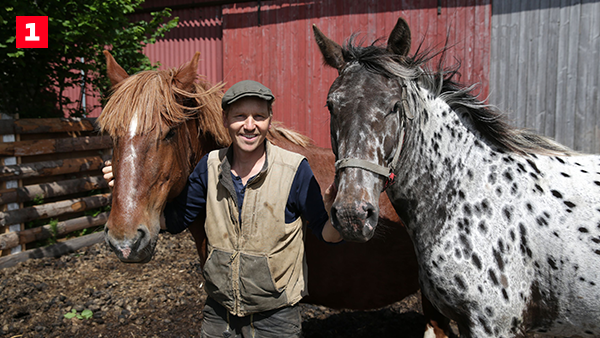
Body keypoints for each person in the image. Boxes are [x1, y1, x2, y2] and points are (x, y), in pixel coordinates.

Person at [103, 80, 342, 338]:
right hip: (220, 315)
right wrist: (127, 190)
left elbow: (326, 233)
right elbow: (175, 220)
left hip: (275, 317)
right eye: (240, 116)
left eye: (258, 116)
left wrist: (335, 217)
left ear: (269, 120)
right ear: (225, 119)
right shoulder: (209, 167)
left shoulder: (295, 169)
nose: (249, 125)